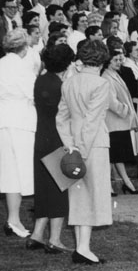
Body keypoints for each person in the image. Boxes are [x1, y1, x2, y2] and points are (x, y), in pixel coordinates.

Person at [54, 39, 112, 265]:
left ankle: (81, 247)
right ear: (102, 59)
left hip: (73, 146)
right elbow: (92, 120)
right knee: (92, 197)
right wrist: (82, 151)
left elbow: (61, 118)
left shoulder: (69, 82)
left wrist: (70, 146)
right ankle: (83, 248)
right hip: (93, 145)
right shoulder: (100, 83)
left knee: (78, 197)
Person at [27, 44, 75, 253]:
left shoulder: (40, 80)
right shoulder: (61, 86)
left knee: (43, 188)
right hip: (57, 139)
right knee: (58, 189)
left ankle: (37, 234)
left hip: (41, 138)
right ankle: (54, 238)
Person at [0, 28, 37, 238]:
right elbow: (33, 93)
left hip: (4, 121)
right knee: (20, 172)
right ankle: (14, 219)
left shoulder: (2, 63)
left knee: (10, 173)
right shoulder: (21, 67)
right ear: (24, 48)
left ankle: (13, 220)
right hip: (21, 122)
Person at [103, 47, 138, 196]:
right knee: (112, 156)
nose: (119, 62)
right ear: (108, 61)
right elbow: (111, 101)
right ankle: (112, 185)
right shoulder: (107, 77)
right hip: (113, 122)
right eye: (116, 60)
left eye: (120, 60)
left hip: (119, 122)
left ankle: (126, 182)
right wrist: (125, 109)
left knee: (117, 156)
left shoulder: (115, 75)